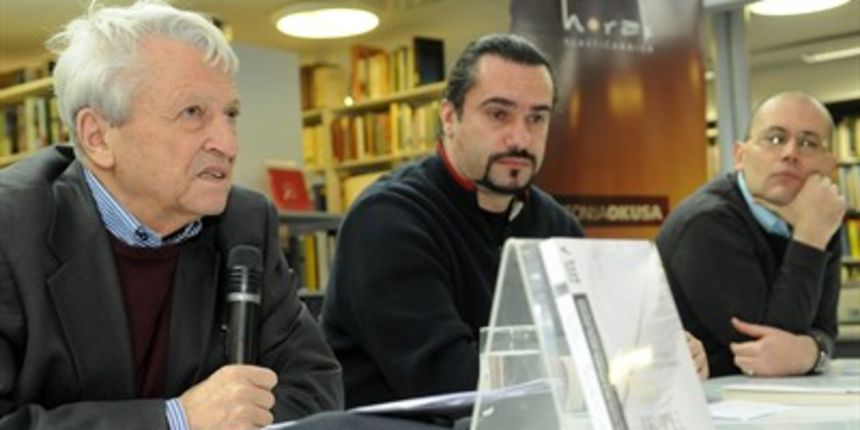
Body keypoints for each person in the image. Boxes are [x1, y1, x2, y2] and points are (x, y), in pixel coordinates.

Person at [0, 1, 342, 429]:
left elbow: (316, 386)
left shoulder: (245, 223)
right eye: (192, 113)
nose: (228, 144)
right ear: (98, 136)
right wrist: (175, 420)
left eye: (231, 114)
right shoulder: (11, 229)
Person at [321, 33, 707, 409]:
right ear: (449, 117)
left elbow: (603, 340)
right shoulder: (388, 220)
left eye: (537, 118)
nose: (520, 137)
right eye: (498, 114)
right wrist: (608, 369)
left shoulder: (558, 227)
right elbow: (455, 385)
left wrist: (664, 352)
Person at [657, 92, 845, 378]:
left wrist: (811, 352)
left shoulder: (819, 215)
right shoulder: (706, 223)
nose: (790, 153)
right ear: (740, 156)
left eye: (808, 143)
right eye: (775, 139)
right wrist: (809, 236)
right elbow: (769, 351)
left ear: (829, 166)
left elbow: (825, 331)